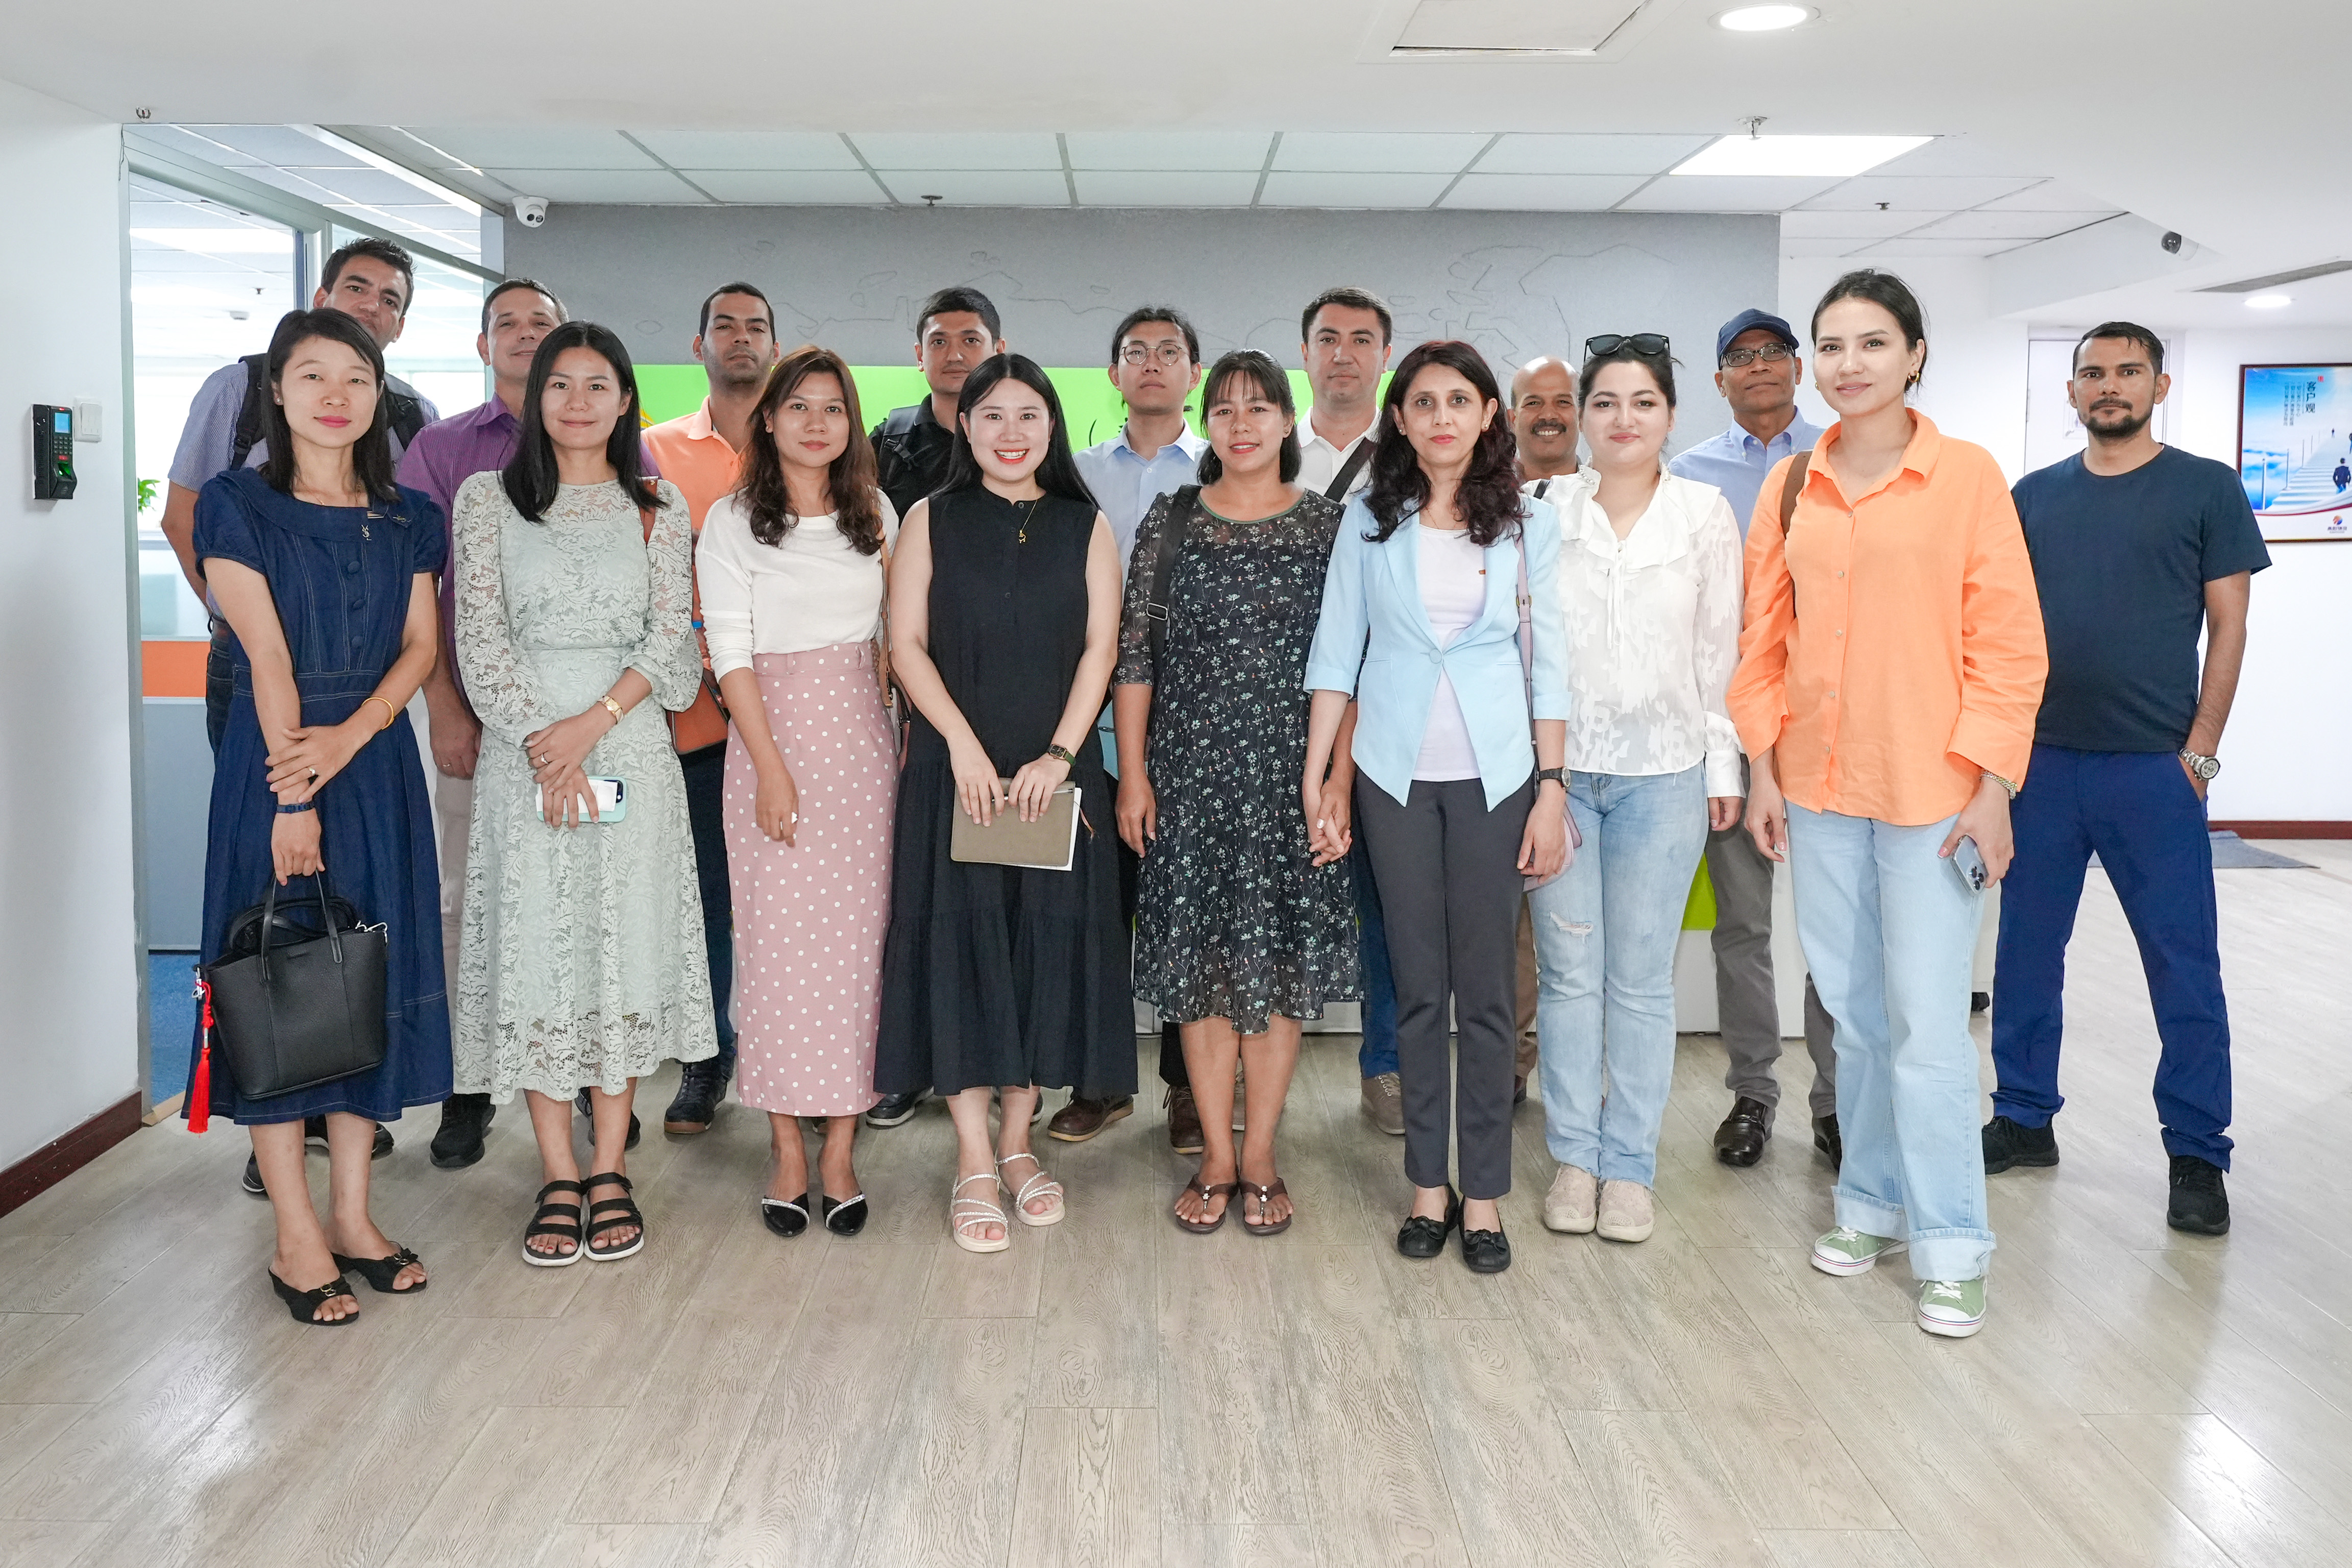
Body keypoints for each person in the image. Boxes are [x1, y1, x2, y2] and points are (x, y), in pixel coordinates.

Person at [1731, 270, 2047, 1337]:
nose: (1849, 363)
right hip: (1818, 790)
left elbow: (2008, 644)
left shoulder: (1966, 478)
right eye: (1831, 345)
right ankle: (1868, 1200)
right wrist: (1763, 770)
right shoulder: (1793, 484)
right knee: (1853, 1019)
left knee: (1926, 1026)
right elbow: (1762, 643)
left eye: (1873, 342)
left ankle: (1952, 1241)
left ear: (1914, 355)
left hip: (1934, 796)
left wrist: (1994, 787)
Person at [187, 308, 449, 1322]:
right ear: (278, 392)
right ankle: (295, 1238)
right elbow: (265, 656)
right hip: (277, 761)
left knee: (358, 984)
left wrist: (355, 739)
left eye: (356, 377)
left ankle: (353, 1217)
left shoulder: (408, 515)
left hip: (373, 764)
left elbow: (421, 649)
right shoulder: (235, 504)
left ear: (378, 394)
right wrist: (297, 793)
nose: (335, 395)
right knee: (280, 984)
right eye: (312, 376)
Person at [1984, 322, 2268, 1236]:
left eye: (2128, 371)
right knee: (2026, 954)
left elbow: (2229, 625)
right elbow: (2002, 631)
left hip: (2155, 769)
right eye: (2093, 373)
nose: (2110, 385)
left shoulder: (2205, 488)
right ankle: (2023, 1116)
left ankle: (2197, 1150)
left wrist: (2200, 752)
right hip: (2043, 765)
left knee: (2183, 965)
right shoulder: (2033, 497)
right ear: (2072, 391)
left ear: (2159, 386)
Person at [449, 322, 715, 1266]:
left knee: (620, 948)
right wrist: (544, 740)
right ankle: (556, 1173)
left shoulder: (658, 504)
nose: (576, 402)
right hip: (523, 755)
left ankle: (610, 1168)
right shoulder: (487, 500)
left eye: (597, 385)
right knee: (538, 951)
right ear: (535, 397)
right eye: (559, 384)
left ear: (624, 399)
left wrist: (589, 726)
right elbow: (479, 637)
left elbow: (671, 639)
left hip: (627, 745)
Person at [1303, 339, 1572, 1276]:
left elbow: (1549, 665)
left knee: (1487, 992)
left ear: (1489, 413)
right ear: (1402, 419)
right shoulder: (1368, 520)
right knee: (1418, 988)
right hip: (1391, 775)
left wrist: (1550, 789)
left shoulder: (1528, 524)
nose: (1442, 417)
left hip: (1498, 776)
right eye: (1424, 402)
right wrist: (1320, 774)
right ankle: (1428, 1185)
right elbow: (1337, 651)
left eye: (1460, 400)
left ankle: (1484, 1193)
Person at [874, 353, 1135, 1253]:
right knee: (962, 950)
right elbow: (906, 644)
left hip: (1054, 777)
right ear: (965, 424)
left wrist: (1060, 755)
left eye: (1029, 415)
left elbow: (1101, 648)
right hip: (958, 773)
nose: (1011, 432)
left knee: (1039, 953)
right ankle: (974, 1158)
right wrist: (959, 745)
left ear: (1052, 426)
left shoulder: (1085, 524)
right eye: (992, 414)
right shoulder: (929, 518)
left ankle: (1020, 1145)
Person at [1117, 350, 1358, 1235]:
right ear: (1205, 423)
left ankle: (1260, 1155)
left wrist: (1336, 778)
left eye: (1259, 407)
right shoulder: (1172, 518)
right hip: (1188, 777)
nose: (1242, 424)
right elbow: (1134, 654)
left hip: (1290, 780)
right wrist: (1133, 773)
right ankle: (1216, 1156)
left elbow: (1355, 661)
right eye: (1224, 409)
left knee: (1278, 969)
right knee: (1201, 971)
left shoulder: (1329, 525)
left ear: (1288, 421)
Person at [1529, 336, 1743, 1245]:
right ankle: (1574, 1160)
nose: (1624, 418)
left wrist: (1723, 766)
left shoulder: (1703, 514)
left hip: (1665, 775)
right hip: (1560, 778)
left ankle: (1628, 1168)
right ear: (1581, 415)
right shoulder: (1542, 508)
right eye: (1606, 401)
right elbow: (1521, 645)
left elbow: (1718, 651)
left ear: (1670, 415)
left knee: (1642, 984)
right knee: (1569, 976)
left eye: (1643, 402)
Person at [698, 345, 899, 1239]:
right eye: (799, 406)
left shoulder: (876, 512)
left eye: (833, 407)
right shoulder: (732, 520)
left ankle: (842, 1145)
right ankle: (785, 1143)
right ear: (769, 418)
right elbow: (729, 652)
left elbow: (895, 636)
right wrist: (771, 765)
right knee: (774, 948)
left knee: (860, 949)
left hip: (862, 748)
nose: (817, 422)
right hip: (767, 742)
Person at [395, 278, 571, 1169]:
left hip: (589, 725)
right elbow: (414, 588)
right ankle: (468, 1087)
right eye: (509, 324)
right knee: (468, 902)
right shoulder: (444, 448)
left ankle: (583, 1078)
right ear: (482, 344)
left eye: (542, 323)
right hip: (478, 722)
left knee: (582, 897)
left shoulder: (610, 439)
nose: (526, 335)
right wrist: (443, 705)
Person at [1668, 309, 1841, 1170]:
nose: (1759, 366)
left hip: (1831, 724)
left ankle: (1837, 1101)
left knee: (1836, 926)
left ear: (1798, 367)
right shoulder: (1687, 477)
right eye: (1741, 357)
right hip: (1734, 728)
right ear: (1719, 380)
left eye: (1774, 352)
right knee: (1741, 922)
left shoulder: (1843, 457)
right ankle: (1753, 1093)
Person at [1054, 305, 1208, 1148]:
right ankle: (1101, 1080)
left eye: (1169, 352)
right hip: (1089, 728)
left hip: (1192, 732)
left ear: (1193, 373)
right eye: (1134, 352)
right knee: (1094, 915)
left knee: (1184, 916)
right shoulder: (1072, 474)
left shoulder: (1223, 467)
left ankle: (1188, 1087)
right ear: (1113, 374)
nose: (1151, 363)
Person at [642, 281, 784, 1135]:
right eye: (723, 326)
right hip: (693, 715)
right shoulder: (653, 451)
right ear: (698, 344)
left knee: (795, 897)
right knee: (705, 902)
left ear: (775, 345)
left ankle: (798, 1057)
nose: (740, 338)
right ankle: (706, 1059)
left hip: (795, 716)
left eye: (755, 327)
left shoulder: (803, 440)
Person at [1290, 286, 1411, 1141]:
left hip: (1385, 710)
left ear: (1383, 357)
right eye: (1328, 338)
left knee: (1387, 903)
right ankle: (1239, 1065)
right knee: (1266, 893)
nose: (1343, 353)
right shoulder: (1262, 447)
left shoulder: (1411, 461)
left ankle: (1386, 1064)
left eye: (1362, 339)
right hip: (1268, 708)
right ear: (1305, 353)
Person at [1506, 353, 1583, 1102]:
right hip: (1507, 745)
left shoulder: (1609, 499)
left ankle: (1583, 1073)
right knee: (1514, 928)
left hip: (1600, 745)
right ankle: (1513, 1060)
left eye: (1563, 401)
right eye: (1534, 401)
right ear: (1510, 416)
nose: (1549, 414)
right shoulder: (1482, 502)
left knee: (1583, 929)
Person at [867, 286, 1007, 528]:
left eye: (971, 341)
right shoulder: (886, 443)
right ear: (920, 355)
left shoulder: (1023, 440)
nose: (954, 356)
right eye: (939, 342)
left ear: (999, 352)